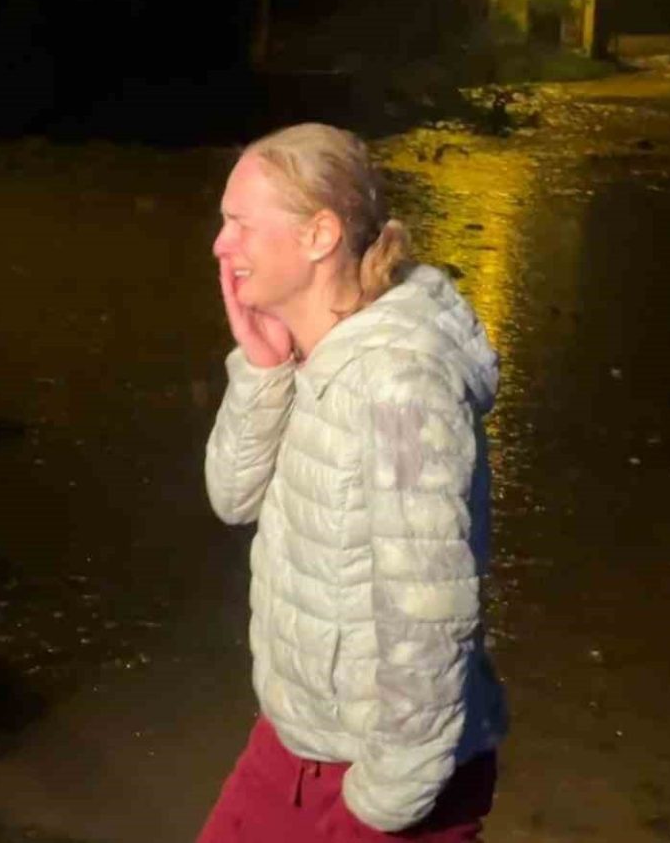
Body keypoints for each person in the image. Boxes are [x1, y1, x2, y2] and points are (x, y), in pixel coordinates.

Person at [200, 123, 506, 841]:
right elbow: (232, 498)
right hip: (293, 741)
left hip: (385, 774)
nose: (220, 244)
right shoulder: (311, 353)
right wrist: (262, 371)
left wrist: (382, 807)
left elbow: (430, 619)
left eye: (240, 223)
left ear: (319, 236)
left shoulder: (401, 385)